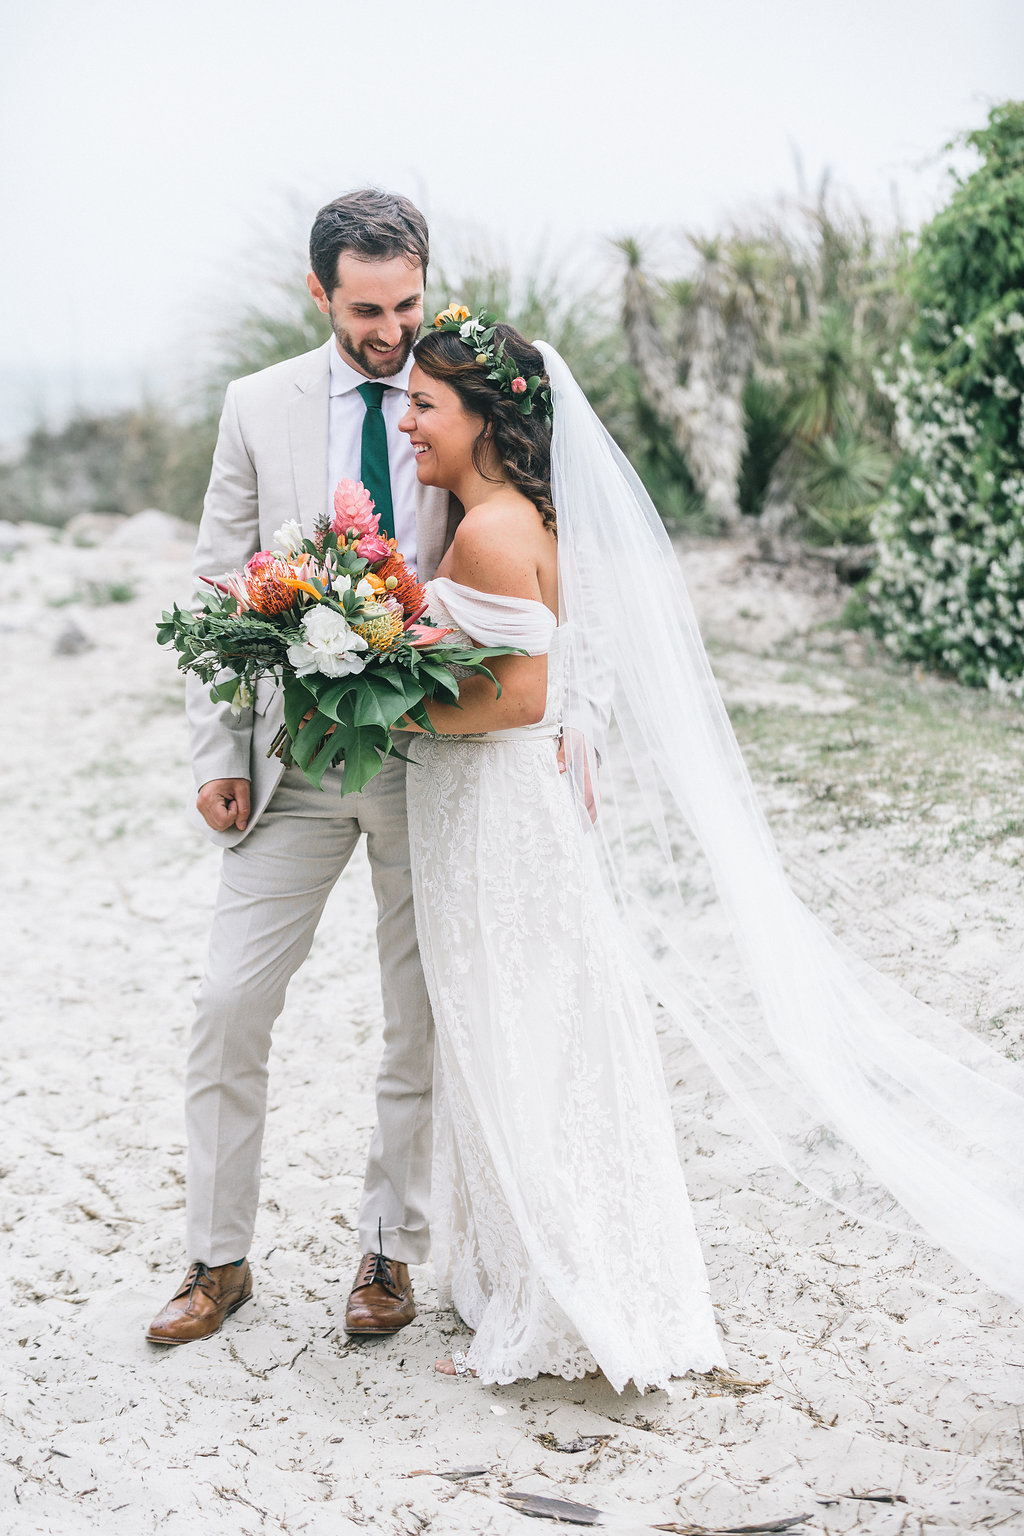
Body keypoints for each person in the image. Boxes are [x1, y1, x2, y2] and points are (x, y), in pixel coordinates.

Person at [392, 310, 1024, 1388]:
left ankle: (556, 1297)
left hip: (496, 817)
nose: (406, 422)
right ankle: (530, 1272)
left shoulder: (489, 531)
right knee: (528, 1031)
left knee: (515, 1036)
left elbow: (522, 697)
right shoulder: (520, 516)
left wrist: (388, 718)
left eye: (423, 404)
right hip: (504, 817)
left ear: (485, 417)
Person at [147, 189, 462, 1345]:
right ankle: (217, 1261)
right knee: (229, 1003)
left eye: (407, 305)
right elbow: (213, 586)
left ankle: (391, 1252)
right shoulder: (256, 404)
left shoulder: (459, 385)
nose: (391, 331)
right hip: (288, 759)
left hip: (432, 760)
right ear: (320, 290)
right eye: (367, 308)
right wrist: (215, 751)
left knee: (415, 1014)